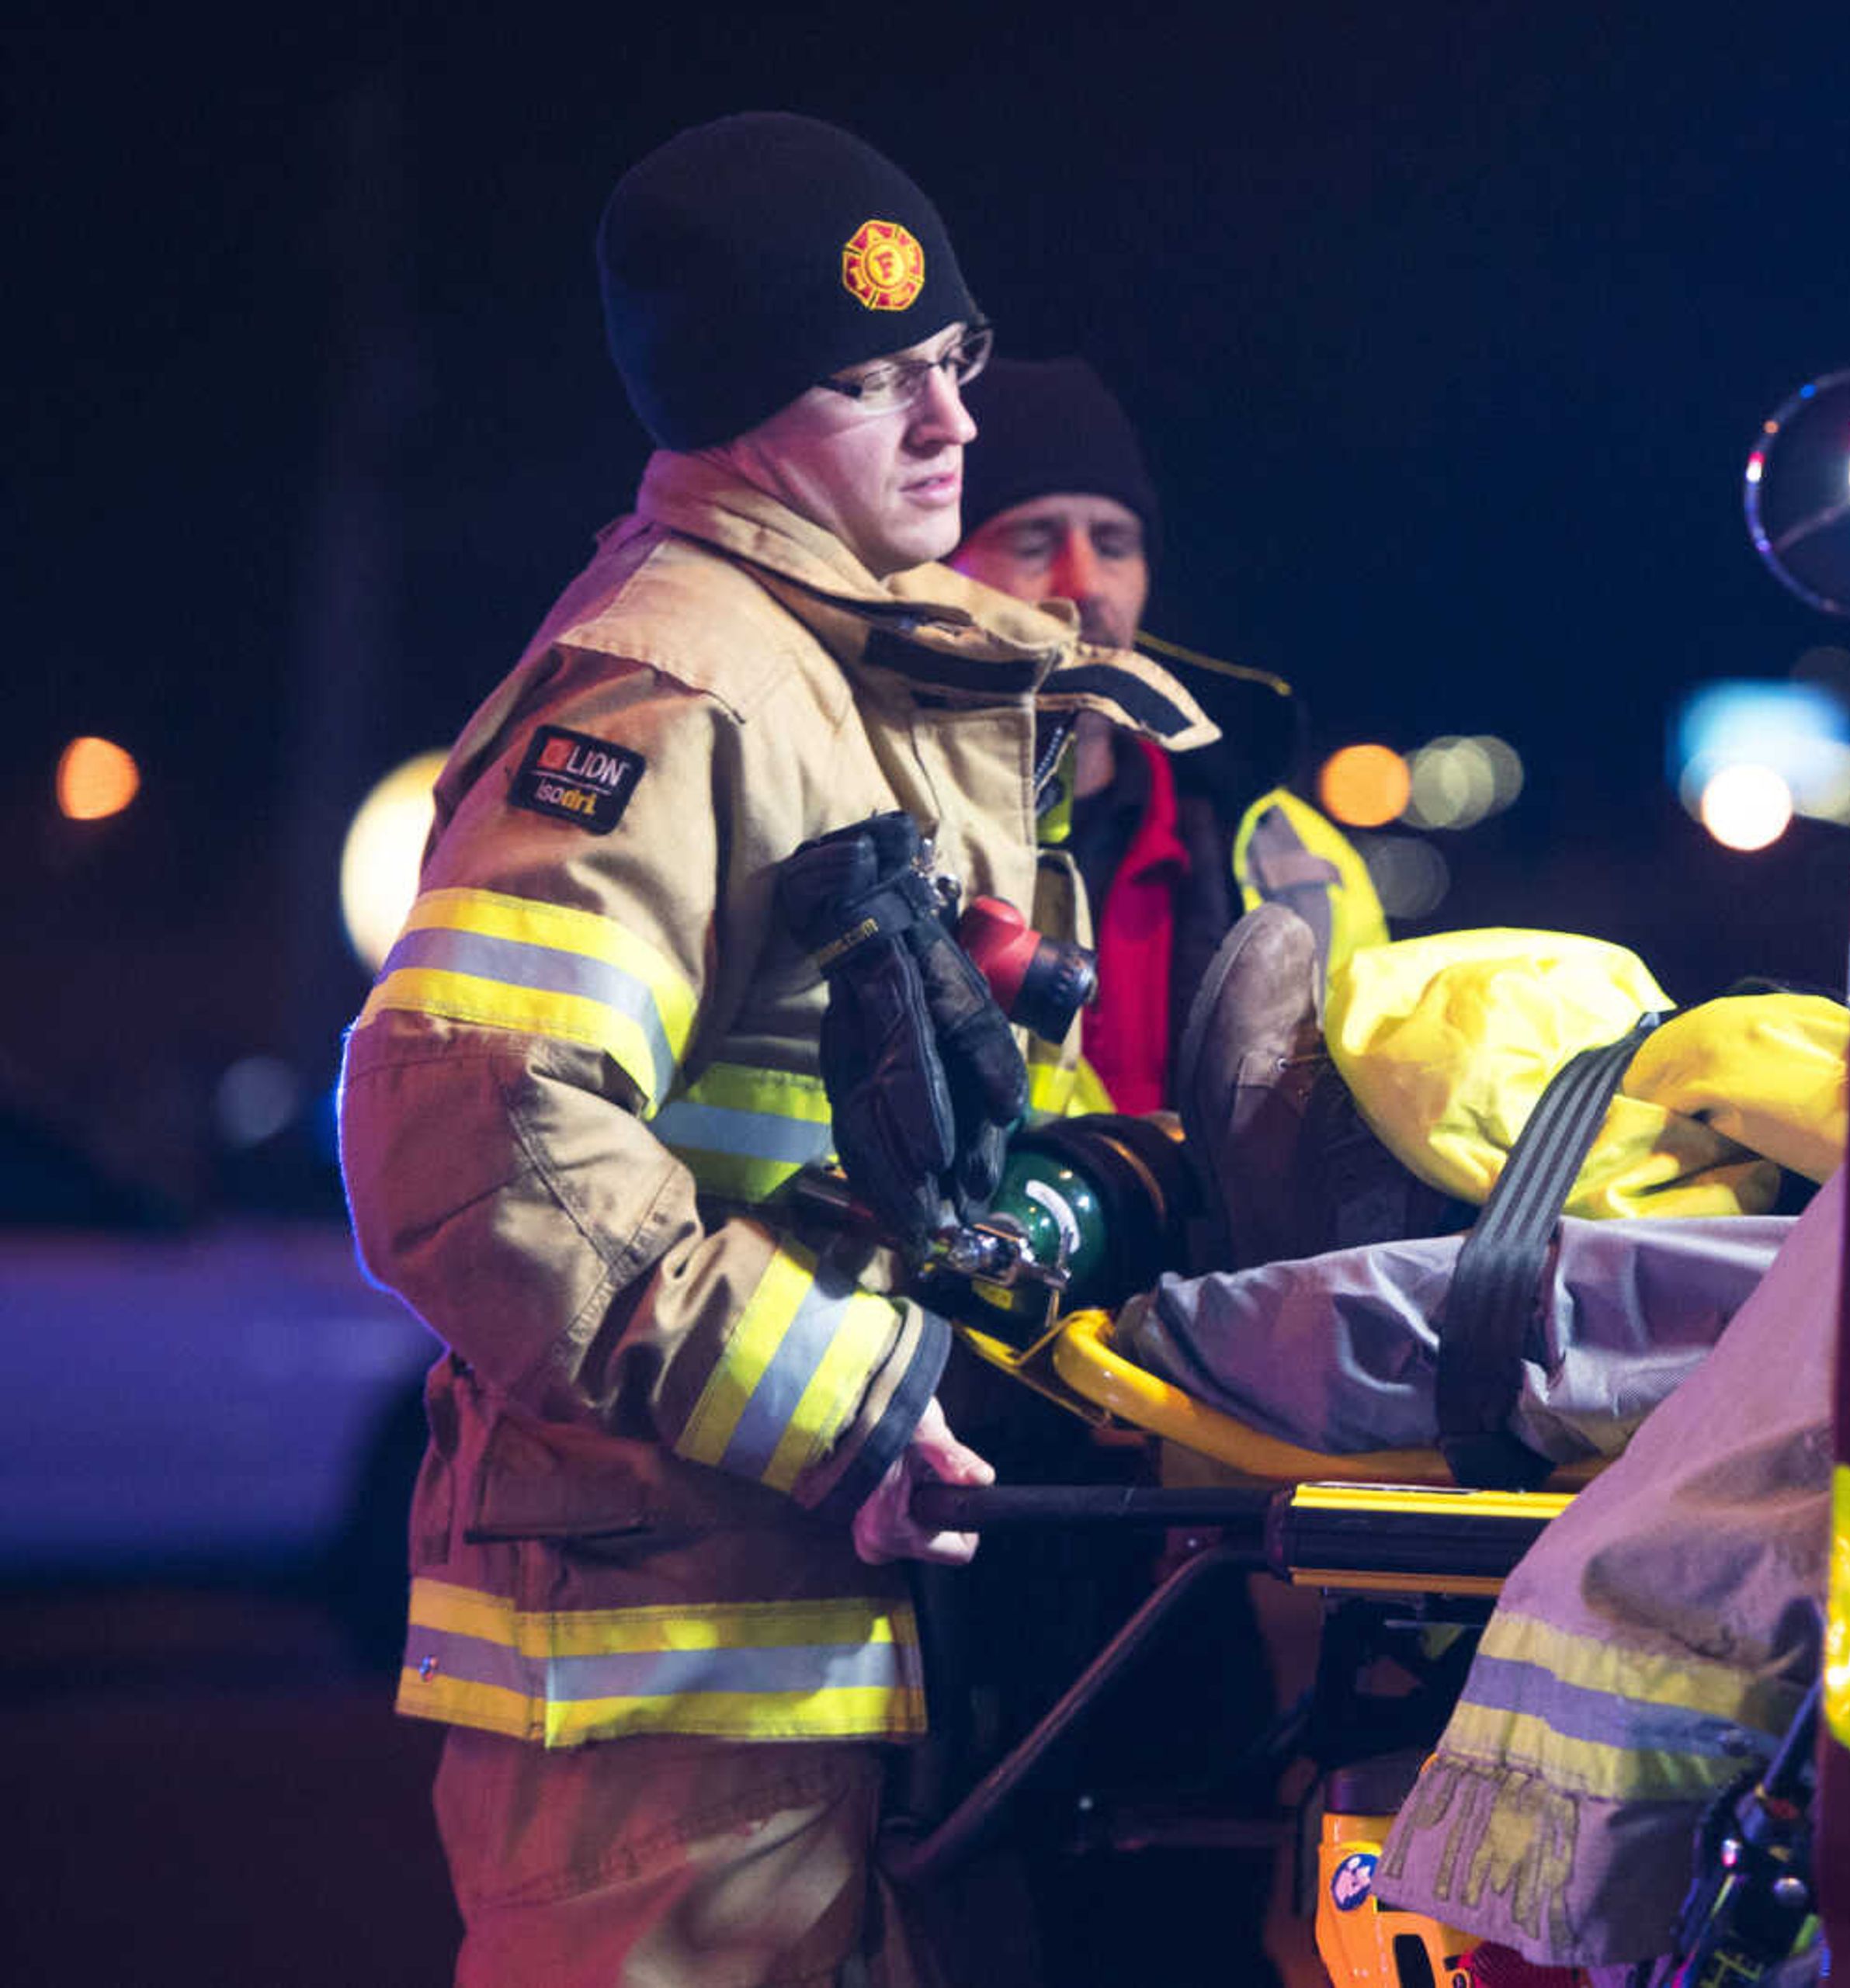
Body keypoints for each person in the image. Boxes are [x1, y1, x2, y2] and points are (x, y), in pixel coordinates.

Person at [338, 110, 1208, 1986]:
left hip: (793, 1662)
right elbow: (468, 1129)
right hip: (673, 1685)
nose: (949, 427)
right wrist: (846, 1403)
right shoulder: (678, 679)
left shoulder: (833, 674)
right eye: (869, 382)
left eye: (952, 364)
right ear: (732, 414)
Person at [946, 357, 1384, 1122]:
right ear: (938, 568)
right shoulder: (887, 829)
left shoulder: (1296, 862)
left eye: (1113, 543)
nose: (1082, 583)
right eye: (1030, 541)